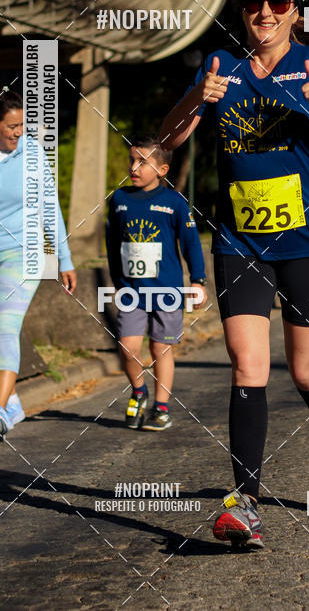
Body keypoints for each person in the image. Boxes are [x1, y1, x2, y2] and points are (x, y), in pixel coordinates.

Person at [160, 0, 309, 549]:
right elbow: (167, 141)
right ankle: (246, 503)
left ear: (294, 13)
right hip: (241, 239)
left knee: (305, 369)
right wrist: (194, 99)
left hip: (308, 240)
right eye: (255, 3)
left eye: (277, 4)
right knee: (247, 365)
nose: (265, 13)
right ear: (243, 12)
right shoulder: (219, 66)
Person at [0, 88, 76, 439]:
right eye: (12, 126)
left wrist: (64, 257)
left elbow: (49, 206)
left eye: (23, 125)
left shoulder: (32, 153)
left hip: (23, 250)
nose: (19, 133)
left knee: (5, 326)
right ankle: (13, 403)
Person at [105, 134, 207, 431]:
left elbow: (191, 243)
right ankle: (139, 391)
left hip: (167, 290)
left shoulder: (174, 202)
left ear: (162, 170)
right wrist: (117, 280)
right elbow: (112, 243)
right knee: (127, 347)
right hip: (131, 291)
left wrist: (198, 280)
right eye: (131, 160)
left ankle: (161, 407)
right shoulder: (119, 199)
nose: (133, 167)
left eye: (142, 162)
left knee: (160, 349)